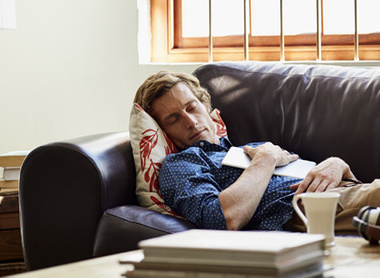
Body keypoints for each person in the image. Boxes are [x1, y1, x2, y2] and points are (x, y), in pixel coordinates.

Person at [134, 70, 380, 233]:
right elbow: (222, 219)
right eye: (174, 118)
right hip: (310, 211)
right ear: (162, 131)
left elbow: (334, 181)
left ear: (205, 105)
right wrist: (265, 160)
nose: (190, 121)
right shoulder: (182, 164)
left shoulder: (249, 148)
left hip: (349, 193)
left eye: (192, 107)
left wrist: (338, 165)